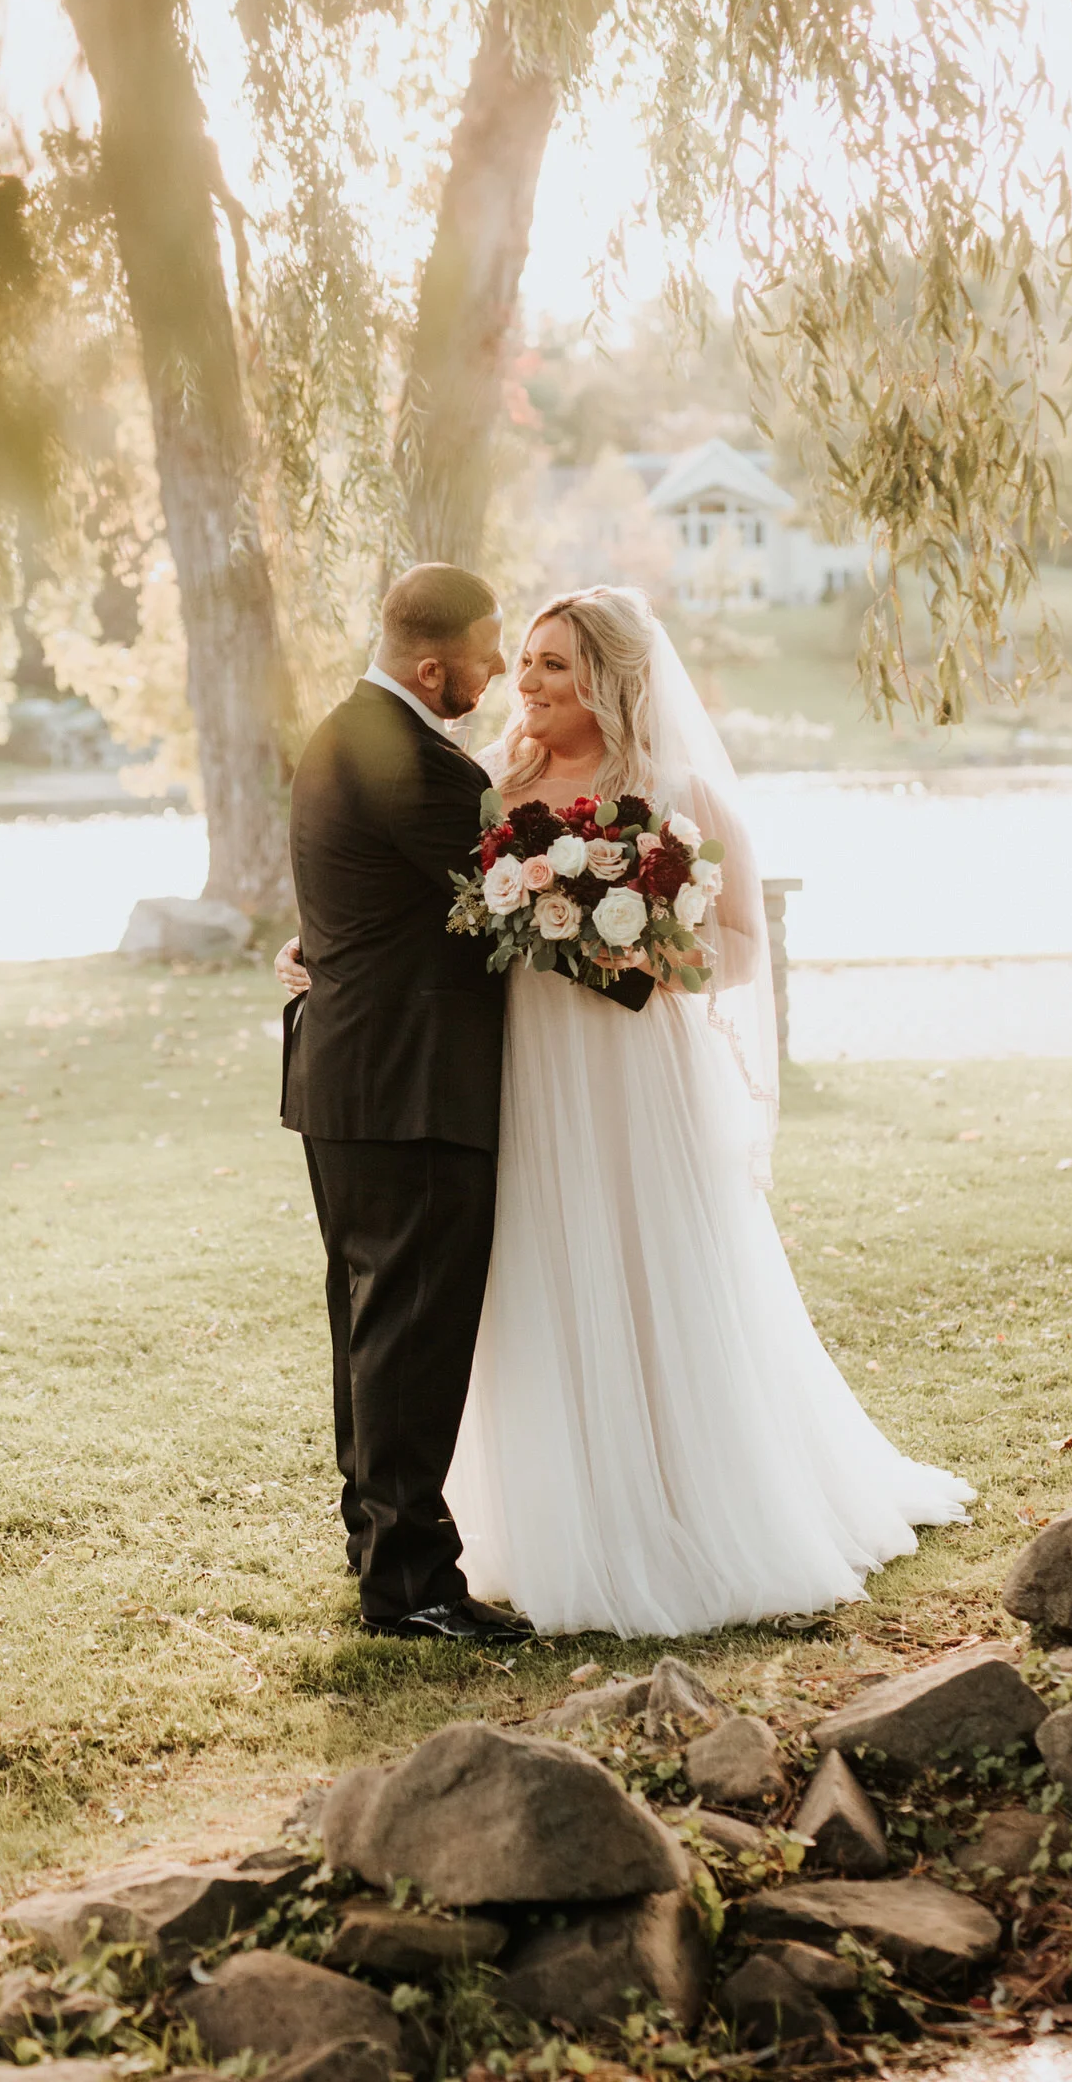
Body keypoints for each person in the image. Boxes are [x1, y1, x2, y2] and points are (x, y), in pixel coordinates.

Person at [437, 585, 973, 1636]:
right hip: (532, 1062)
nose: (528, 682)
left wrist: (648, 951)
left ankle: (689, 1498)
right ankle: (556, 1510)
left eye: (554, 664)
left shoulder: (675, 789)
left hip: (639, 1068)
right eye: (528, 661)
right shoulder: (496, 786)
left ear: (610, 680)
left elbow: (737, 944)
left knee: (655, 1268)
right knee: (544, 1264)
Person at [277, 564, 646, 1642]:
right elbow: (522, 909)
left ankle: (378, 1549)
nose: (498, 673)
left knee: (370, 1326)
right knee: (408, 1337)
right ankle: (413, 1587)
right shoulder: (421, 772)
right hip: (410, 1089)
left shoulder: (342, 735)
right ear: (432, 666)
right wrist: (638, 968)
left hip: (349, 1078)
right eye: (491, 654)